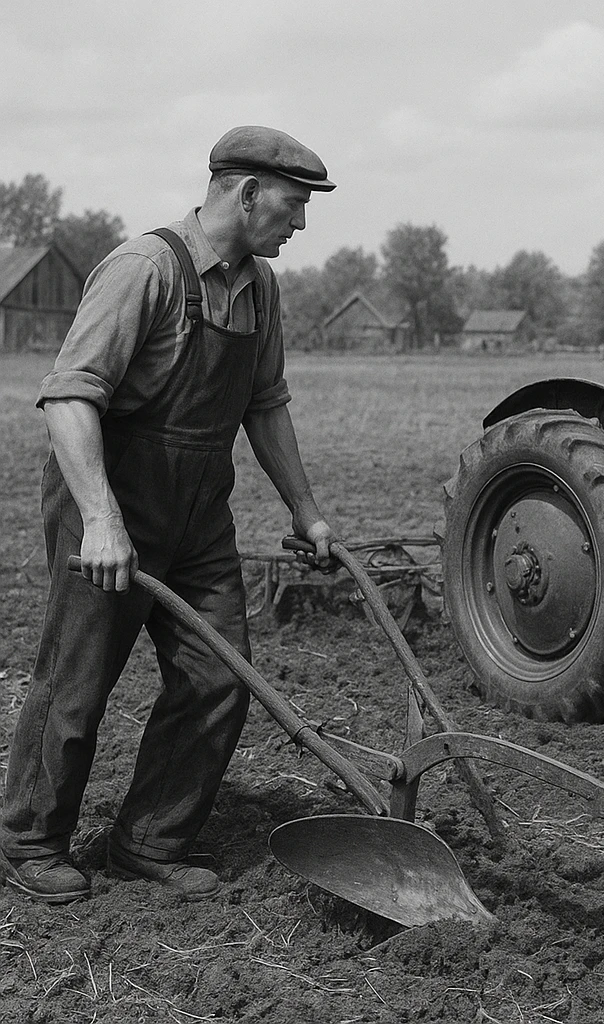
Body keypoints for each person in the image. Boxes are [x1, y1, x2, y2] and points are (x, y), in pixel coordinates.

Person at [0, 125, 340, 904]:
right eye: (293, 205)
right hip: (113, 496)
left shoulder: (259, 286)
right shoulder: (144, 268)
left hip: (199, 512)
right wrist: (101, 519)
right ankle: (29, 840)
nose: (300, 223)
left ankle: (149, 841)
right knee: (79, 678)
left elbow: (266, 402)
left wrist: (308, 511)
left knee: (219, 678)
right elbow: (70, 397)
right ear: (246, 193)